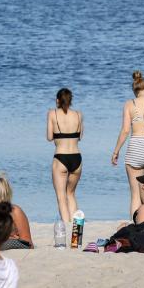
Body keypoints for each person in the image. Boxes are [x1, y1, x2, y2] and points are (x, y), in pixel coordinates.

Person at [112, 71, 144, 217]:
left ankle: (136, 226)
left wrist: (116, 151)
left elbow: (125, 130)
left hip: (136, 147)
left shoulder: (129, 104)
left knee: (135, 194)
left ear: (134, 89)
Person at [47, 87, 82, 223]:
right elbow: (80, 136)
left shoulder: (52, 114)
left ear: (57, 100)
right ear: (70, 100)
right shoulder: (78, 115)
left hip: (61, 157)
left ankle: (67, 226)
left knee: (61, 197)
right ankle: (76, 227)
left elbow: (49, 137)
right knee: (71, 194)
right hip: (77, 158)